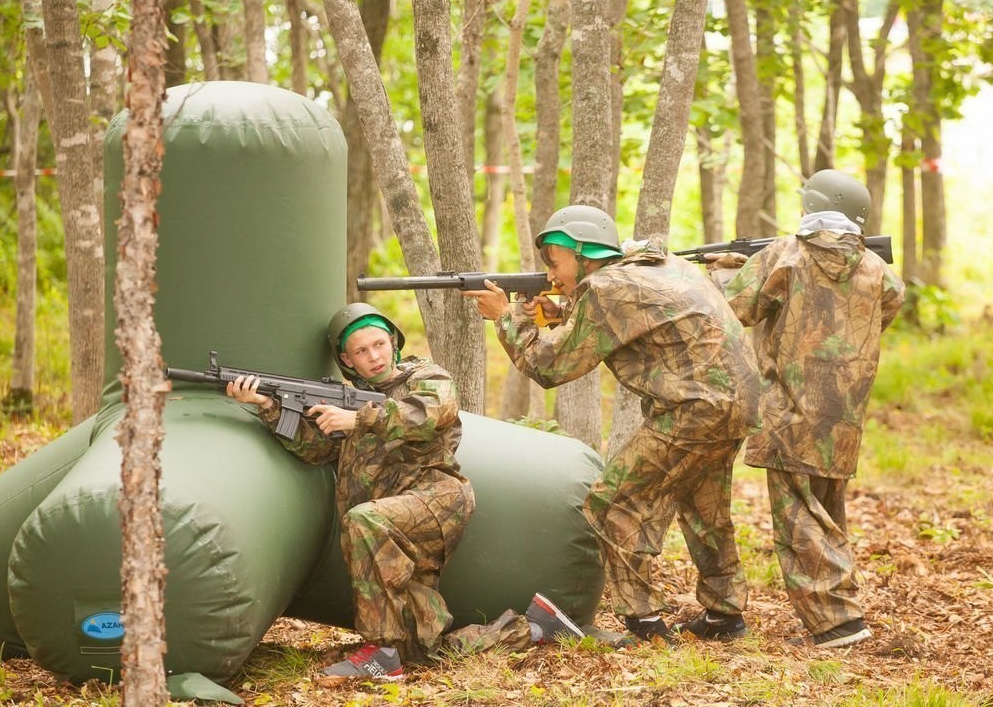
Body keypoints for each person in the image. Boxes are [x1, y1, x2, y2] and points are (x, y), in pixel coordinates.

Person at [226, 302, 584, 682]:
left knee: (364, 519)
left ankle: (379, 651)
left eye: (379, 344)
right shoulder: (347, 402)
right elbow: (316, 451)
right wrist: (266, 405)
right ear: (347, 359)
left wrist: (358, 418)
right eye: (361, 352)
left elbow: (431, 414)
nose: (374, 356)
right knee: (421, 650)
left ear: (393, 343)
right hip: (394, 525)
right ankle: (536, 629)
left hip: (436, 500)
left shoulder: (425, 377)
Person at [463, 205, 763, 645]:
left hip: (694, 408)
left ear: (583, 253)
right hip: (736, 402)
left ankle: (645, 624)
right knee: (704, 506)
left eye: (555, 261)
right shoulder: (659, 266)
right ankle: (725, 615)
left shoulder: (605, 289)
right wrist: (560, 315)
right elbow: (635, 322)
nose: (550, 274)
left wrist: (508, 317)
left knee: (612, 503)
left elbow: (550, 366)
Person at [708, 169, 905, 649]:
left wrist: (723, 272)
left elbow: (735, 307)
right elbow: (888, 308)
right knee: (826, 513)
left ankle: (838, 623)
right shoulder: (878, 270)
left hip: (790, 412)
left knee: (799, 519)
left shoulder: (786, 253)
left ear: (812, 205)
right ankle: (843, 610)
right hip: (843, 415)